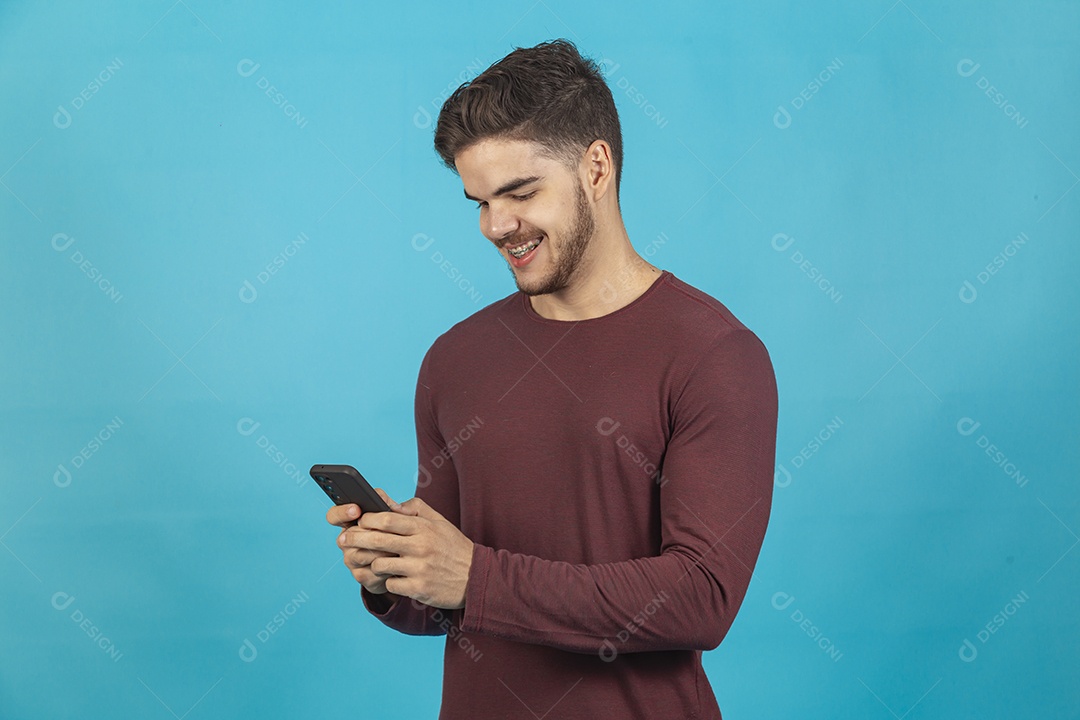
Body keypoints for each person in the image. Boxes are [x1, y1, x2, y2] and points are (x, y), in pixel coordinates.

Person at [328, 38, 779, 720]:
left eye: (519, 192)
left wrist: (474, 576)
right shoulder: (455, 359)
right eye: (478, 201)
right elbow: (455, 605)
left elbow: (701, 598)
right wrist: (398, 573)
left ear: (596, 166)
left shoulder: (714, 354)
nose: (496, 225)